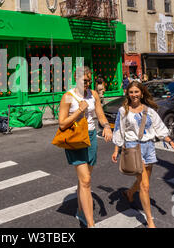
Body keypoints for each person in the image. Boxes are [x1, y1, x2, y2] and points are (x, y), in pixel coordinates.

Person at [111, 81, 174, 228]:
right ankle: (150, 221)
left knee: (143, 182)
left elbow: (159, 127)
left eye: (137, 92)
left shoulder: (149, 111)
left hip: (149, 147)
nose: (134, 95)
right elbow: (119, 130)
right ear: (127, 94)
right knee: (145, 186)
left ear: (142, 93)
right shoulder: (123, 111)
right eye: (131, 92)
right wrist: (117, 150)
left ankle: (130, 193)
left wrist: (171, 142)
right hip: (133, 147)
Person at [58, 66, 113, 228]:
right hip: (75, 138)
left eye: (90, 80)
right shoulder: (68, 96)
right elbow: (62, 124)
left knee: (84, 180)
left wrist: (106, 126)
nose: (88, 83)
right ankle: (91, 224)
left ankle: (81, 211)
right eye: (85, 80)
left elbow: (100, 114)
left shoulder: (93, 94)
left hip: (90, 138)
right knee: (86, 180)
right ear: (76, 78)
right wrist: (78, 111)